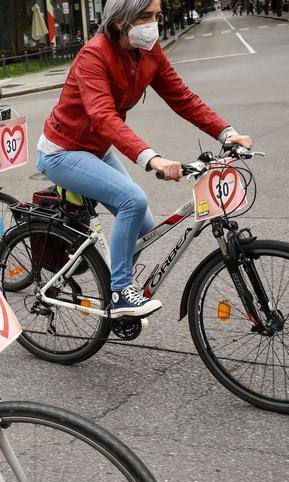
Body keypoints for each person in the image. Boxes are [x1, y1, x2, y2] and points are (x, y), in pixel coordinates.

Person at [35, 0, 252, 319]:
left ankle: (113, 289)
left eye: (157, 15)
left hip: (98, 147)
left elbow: (183, 98)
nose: (155, 23)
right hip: (62, 150)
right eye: (146, 17)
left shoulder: (149, 52)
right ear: (122, 21)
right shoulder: (93, 55)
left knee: (144, 227)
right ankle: (121, 292)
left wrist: (227, 133)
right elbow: (103, 115)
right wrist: (152, 159)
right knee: (133, 201)